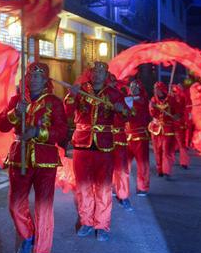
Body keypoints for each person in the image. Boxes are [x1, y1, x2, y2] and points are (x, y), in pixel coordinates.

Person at [0, 62, 67, 253]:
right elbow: (1, 125)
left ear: (46, 80)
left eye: (39, 76)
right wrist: (14, 113)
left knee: (44, 207)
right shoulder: (18, 100)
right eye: (31, 76)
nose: (34, 79)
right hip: (20, 157)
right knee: (15, 204)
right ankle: (27, 235)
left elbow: (62, 131)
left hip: (45, 159)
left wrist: (38, 133)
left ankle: (42, 251)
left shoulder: (54, 102)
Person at [64, 62, 128, 242]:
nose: (98, 74)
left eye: (102, 71)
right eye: (95, 71)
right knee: (83, 186)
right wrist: (71, 96)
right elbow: (66, 112)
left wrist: (122, 110)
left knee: (104, 187)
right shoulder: (81, 90)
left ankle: (102, 224)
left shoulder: (114, 94)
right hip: (82, 144)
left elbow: (126, 115)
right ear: (90, 73)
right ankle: (86, 221)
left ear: (106, 74)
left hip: (105, 146)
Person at [148, 82, 181, 179]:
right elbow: (152, 114)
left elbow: (178, 112)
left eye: (157, 89)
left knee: (167, 150)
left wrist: (176, 116)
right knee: (157, 150)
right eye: (154, 89)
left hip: (168, 129)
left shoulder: (171, 99)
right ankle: (160, 170)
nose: (155, 91)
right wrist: (153, 107)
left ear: (162, 89)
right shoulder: (153, 100)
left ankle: (167, 171)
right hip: (156, 129)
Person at [125, 79, 151, 196]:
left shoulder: (142, 99)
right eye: (131, 86)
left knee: (142, 164)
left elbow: (139, 102)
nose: (133, 88)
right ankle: (120, 187)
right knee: (123, 164)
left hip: (140, 137)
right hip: (126, 136)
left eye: (135, 86)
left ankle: (142, 187)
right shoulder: (126, 98)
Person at [111, 76, 133, 211]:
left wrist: (121, 110)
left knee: (122, 169)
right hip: (101, 138)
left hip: (118, 137)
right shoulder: (96, 96)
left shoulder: (121, 97)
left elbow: (128, 116)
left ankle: (123, 196)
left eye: (112, 82)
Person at [172, 83, 191, 169]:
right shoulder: (170, 97)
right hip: (170, 124)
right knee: (171, 144)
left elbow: (184, 110)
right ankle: (170, 160)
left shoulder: (182, 97)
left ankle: (184, 162)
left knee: (181, 144)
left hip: (179, 124)